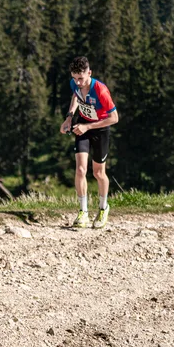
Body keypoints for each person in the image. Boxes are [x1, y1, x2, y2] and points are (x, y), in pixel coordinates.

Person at [59, 55, 119, 229]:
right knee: (80, 169)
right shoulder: (75, 84)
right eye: (74, 78)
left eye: (81, 78)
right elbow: (75, 96)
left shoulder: (101, 90)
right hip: (82, 126)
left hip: (100, 129)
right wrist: (69, 117)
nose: (78, 82)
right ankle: (83, 212)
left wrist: (88, 127)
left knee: (98, 173)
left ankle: (103, 208)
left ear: (89, 73)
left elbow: (114, 118)